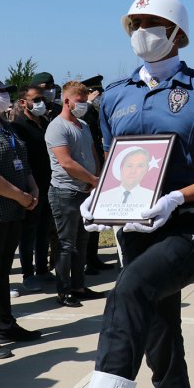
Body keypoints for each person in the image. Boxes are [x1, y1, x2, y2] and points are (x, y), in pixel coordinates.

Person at [74, 0, 194, 388]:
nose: (140, 33)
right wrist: (99, 200)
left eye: (150, 23)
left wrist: (176, 197)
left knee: (129, 290)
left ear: (176, 32)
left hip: (190, 227)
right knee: (161, 333)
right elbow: (116, 165)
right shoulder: (113, 97)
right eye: (135, 24)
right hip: (135, 230)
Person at [45, 81, 105, 307]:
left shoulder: (83, 126)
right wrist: (93, 180)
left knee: (82, 241)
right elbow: (66, 162)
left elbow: (93, 152)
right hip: (65, 192)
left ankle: (78, 286)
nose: (83, 105)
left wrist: (95, 177)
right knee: (66, 244)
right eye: (79, 101)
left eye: (84, 100)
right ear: (67, 101)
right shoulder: (57, 127)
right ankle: (63, 290)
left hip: (85, 191)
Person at [0, 80, 42, 359]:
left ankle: (5, 325)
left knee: (1, 271)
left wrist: (32, 187)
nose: (4, 97)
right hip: (5, 206)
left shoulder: (6, 128)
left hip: (13, 211)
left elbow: (21, 161)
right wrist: (20, 196)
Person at [12, 84, 54, 292]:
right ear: (23, 102)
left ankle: (42, 270)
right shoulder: (18, 126)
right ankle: (28, 273)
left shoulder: (45, 122)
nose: (41, 103)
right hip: (31, 186)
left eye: (42, 99)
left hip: (48, 184)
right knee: (29, 232)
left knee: (44, 230)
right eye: (36, 99)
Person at [81, 75, 115, 273]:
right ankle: (86, 259)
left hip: (99, 166)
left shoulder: (97, 112)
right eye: (95, 93)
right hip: (88, 169)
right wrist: (86, 105)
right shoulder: (84, 113)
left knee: (96, 215)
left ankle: (93, 257)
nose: (98, 97)